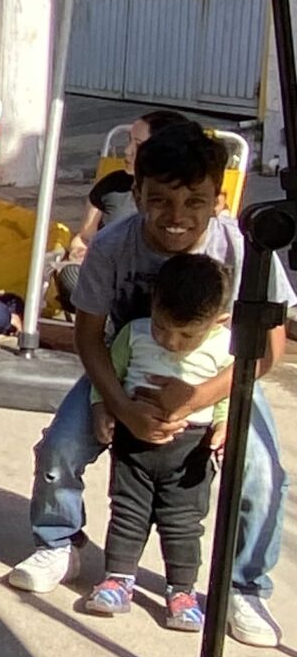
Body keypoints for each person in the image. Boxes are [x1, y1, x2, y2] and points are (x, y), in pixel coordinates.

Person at [9, 121, 288, 645]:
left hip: (219, 380)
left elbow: (268, 350)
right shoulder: (113, 246)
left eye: (194, 202)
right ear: (135, 194)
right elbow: (89, 336)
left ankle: (244, 587)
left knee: (262, 475)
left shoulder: (245, 250)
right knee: (59, 449)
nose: (176, 216)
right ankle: (59, 541)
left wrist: (204, 399)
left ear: (219, 200)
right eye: (159, 200)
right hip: (125, 371)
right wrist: (116, 404)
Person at [82, 250, 232, 631]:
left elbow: (226, 394)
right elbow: (110, 375)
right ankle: (118, 580)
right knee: (127, 513)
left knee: (183, 524)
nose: (171, 342)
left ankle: (182, 592)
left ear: (219, 321)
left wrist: (222, 424)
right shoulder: (134, 334)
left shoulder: (223, 346)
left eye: (187, 335)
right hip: (134, 444)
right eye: (162, 327)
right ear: (153, 304)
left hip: (191, 451)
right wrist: (102, 407)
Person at [51, 105, 195, 315]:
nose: (127, 151)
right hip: (106, 279)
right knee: (71, 277)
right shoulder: (111, 187)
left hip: (163, 285)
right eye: (129, 141)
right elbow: (84, 238)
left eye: (138, 145)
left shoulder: (187, 196)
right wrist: (79, 252)